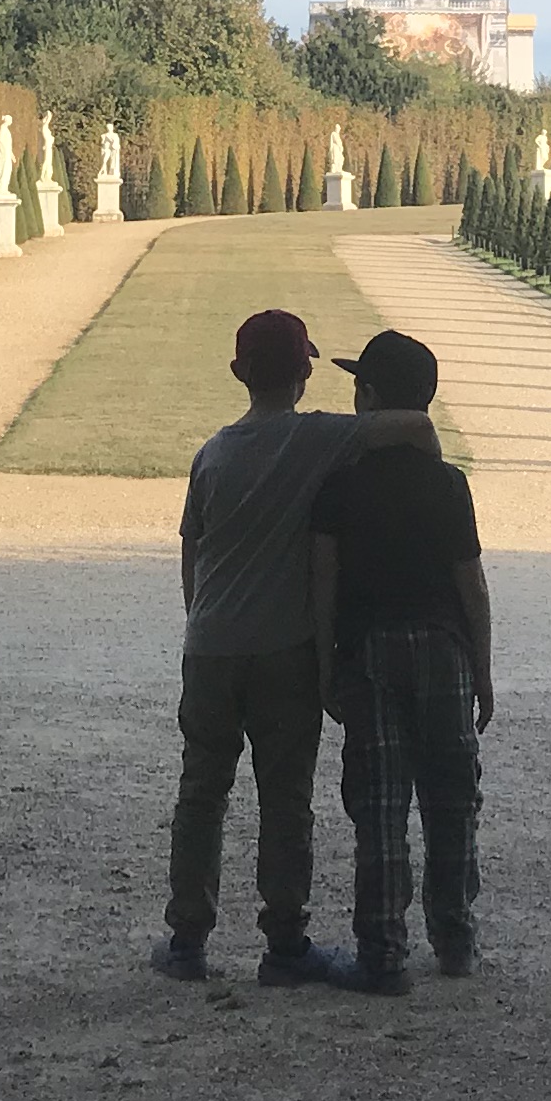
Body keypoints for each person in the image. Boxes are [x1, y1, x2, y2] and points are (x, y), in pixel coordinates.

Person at [155, 309, 436, 987]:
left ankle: (187, 939)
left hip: (213, 645)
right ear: (307, 374)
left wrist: (204, 624)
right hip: (284, 648)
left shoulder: (212, 455)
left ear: (237, 373)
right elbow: (418, 426)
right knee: (285, 800)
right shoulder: (317, 441)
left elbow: (191, 555)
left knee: (202, 792)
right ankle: (285, 944)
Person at [309, 328, 492, 990]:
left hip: (371, 649)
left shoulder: (340, 484)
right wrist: (485, 670)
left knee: (381, 805)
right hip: (443, 649)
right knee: (452, 799)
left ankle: (383, 950)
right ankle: (455, 938)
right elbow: (471, 584)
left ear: (371, 397)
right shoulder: (449, 484)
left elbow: (323, 583)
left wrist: (327, 665)